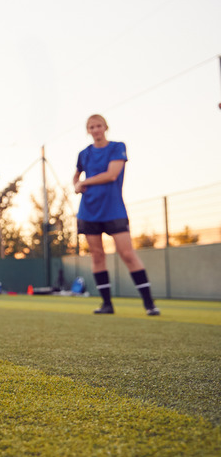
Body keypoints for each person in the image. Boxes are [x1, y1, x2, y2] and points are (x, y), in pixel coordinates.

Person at [74, 114, 160, 316]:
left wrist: (84, 183)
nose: (95, 130)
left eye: (98, 126)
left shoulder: (117, 147)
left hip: (113, 209)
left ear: (105, 127)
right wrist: (76, 185)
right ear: (88, 131)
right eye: (91, 127)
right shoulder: (83, 154)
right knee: (97, 255)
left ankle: (149, 304)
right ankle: (106, 304)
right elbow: (76, 174)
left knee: (127, 254)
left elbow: (112, 174)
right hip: (89, 211)